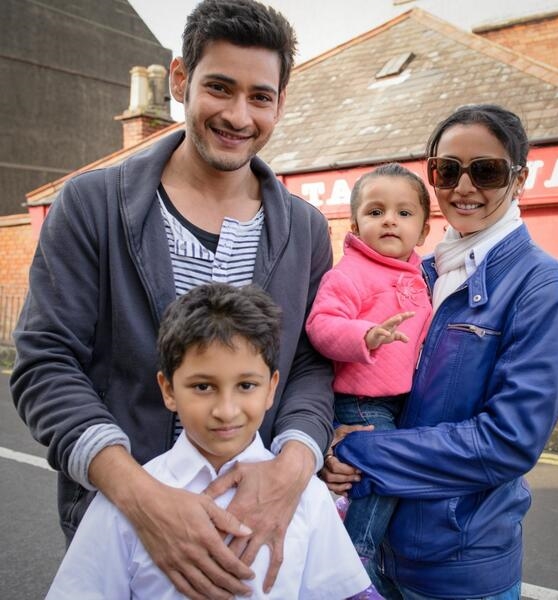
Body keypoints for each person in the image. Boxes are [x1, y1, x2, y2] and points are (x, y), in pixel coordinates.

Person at [11, 2, 335, 598]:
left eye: (261, 96)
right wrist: (142, 499)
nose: (239, 115)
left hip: (257, 534)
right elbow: (46, 362)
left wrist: (292, 470)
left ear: (281, 101)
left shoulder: (306, 230)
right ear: (180, 79)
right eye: (219, 87)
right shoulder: (90, 205)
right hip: (124, 532)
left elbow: (312, 364)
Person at [321, 104, 558, 599]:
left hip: (461, 572)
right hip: (383, 558)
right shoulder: (423, 274)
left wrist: (360, 451)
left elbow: (508, 441)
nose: (463, 187)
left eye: (485, 171)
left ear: (519, 179)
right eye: (447, 169)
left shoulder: (542, 285)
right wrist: (331, 438)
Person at [46, 283, 371, 600]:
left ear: (272, 388)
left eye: (246, 385)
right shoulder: (122, 506)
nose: (225, 411)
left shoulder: (306, 496)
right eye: (203, 386)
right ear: (169, 389)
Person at [305, 163, 432, 587]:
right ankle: (354, 556)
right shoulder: (350, 273)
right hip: (362, 401)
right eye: (376, 212)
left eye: (404, 212)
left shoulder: (421, 275)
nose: (390, 220)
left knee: (384, 475)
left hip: (399, 403)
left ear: (424, 229)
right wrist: (366, 335)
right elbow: (321, 325)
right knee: (382, 475)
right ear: (356, 224)